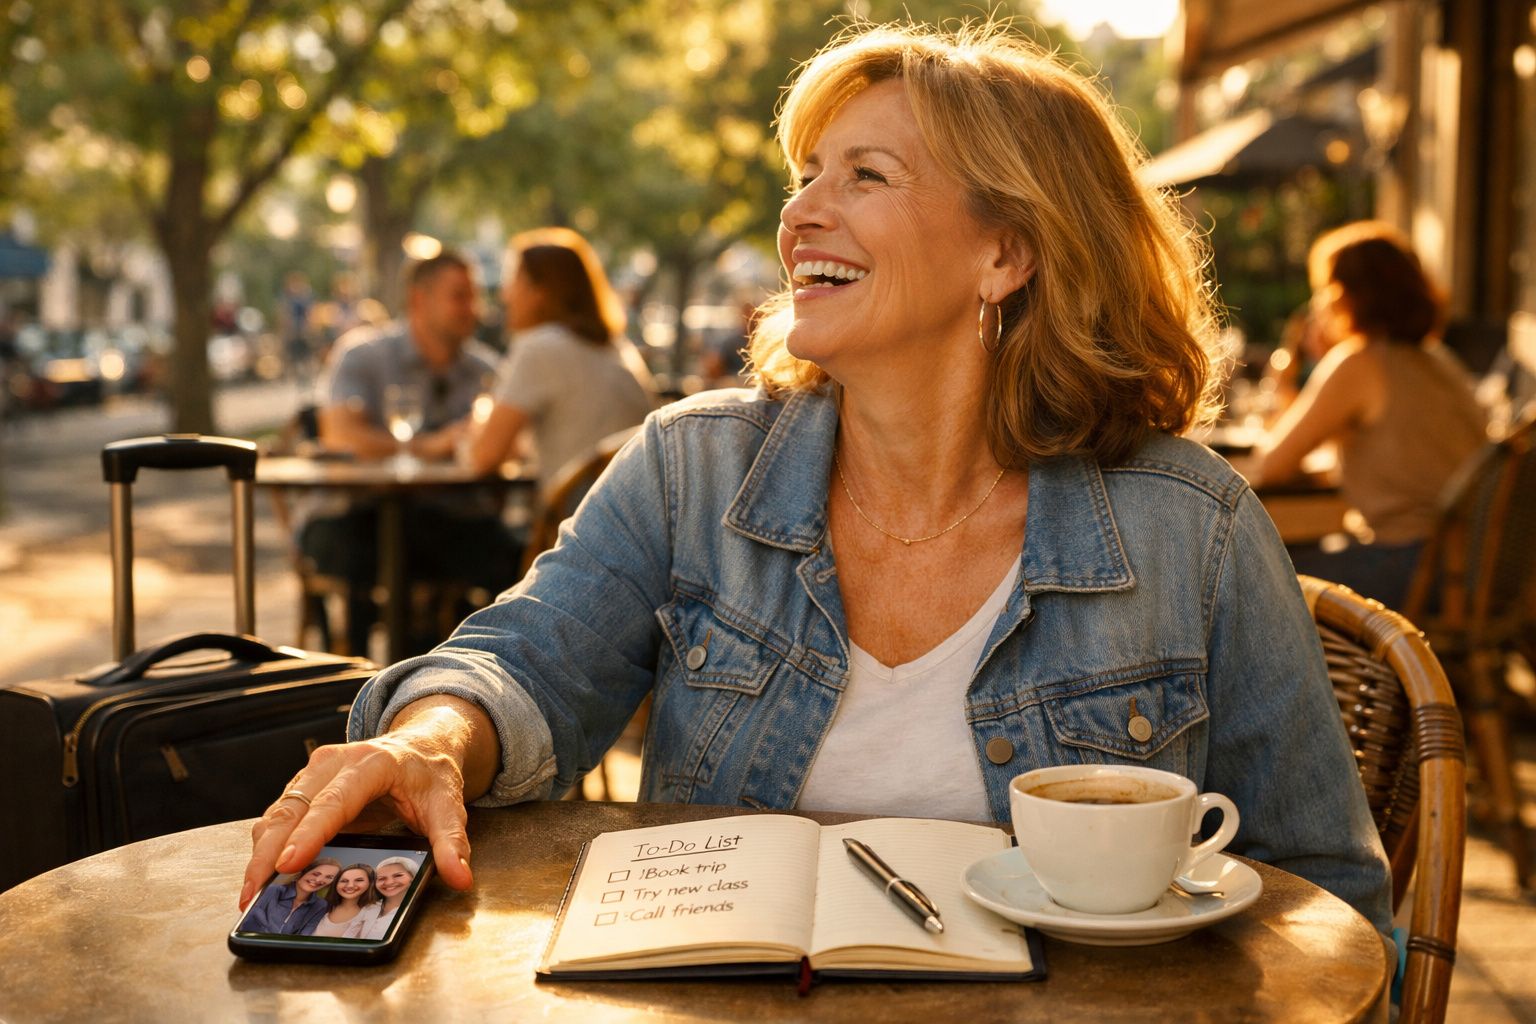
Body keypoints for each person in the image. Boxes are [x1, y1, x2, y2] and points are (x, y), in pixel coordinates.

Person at [242, 21, 1393, 941]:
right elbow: (526, 659)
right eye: (805, 177)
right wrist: (432, 738)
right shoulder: (692, 467)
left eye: (866, 175)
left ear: (1005, 253)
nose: (800, 213)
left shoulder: (1190, 528)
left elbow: (1325, 901)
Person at [1248, 222, 1488, 608]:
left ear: (1343, 296)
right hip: (1474, 568)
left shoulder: (1360, 361)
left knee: (1254, 571)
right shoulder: (1439, 360)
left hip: (1417, 569)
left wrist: (1284, 383)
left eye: (1323, 292)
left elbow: (1271, 465)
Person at [297, 249, 520, 655]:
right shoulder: (363, 354)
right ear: (420, 300)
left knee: (512, 554)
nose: (473, 308)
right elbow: (339, 433)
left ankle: (480, 675)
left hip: (450, 518)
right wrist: (431, 446)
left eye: (475, 296)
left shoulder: (486, 370)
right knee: (386, 547)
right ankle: (363, 679)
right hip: (353, 514)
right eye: (460, 296)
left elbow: (514, 448)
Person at [464, 228, 655, 495]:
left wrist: (480, 417)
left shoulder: (540, 346)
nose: (505, 295)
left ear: (539, 292)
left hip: (573, 518)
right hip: (635, 515)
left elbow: (484, 458)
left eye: (513, 281)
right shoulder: (618, 348)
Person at [240, 857, 340, 935]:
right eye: (316, 874)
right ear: (304, 871)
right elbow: (249, 921)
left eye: (329, 877)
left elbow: (305, 934)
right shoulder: (271, 890)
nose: (319, 880)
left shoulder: (321, 905)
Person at [341, 857, 419, 940]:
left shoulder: (417, 910)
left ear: (413, 877)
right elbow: (348, 936)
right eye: (381, 878)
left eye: (398, 875)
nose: (389, 882)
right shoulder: (369, 907)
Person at [303, 862, 377, 937]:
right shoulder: (322, 907)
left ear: (370, 883)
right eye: (344, 881)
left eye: (359, 880)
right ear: (336, 884)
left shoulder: (375, 912)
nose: (350, 885)